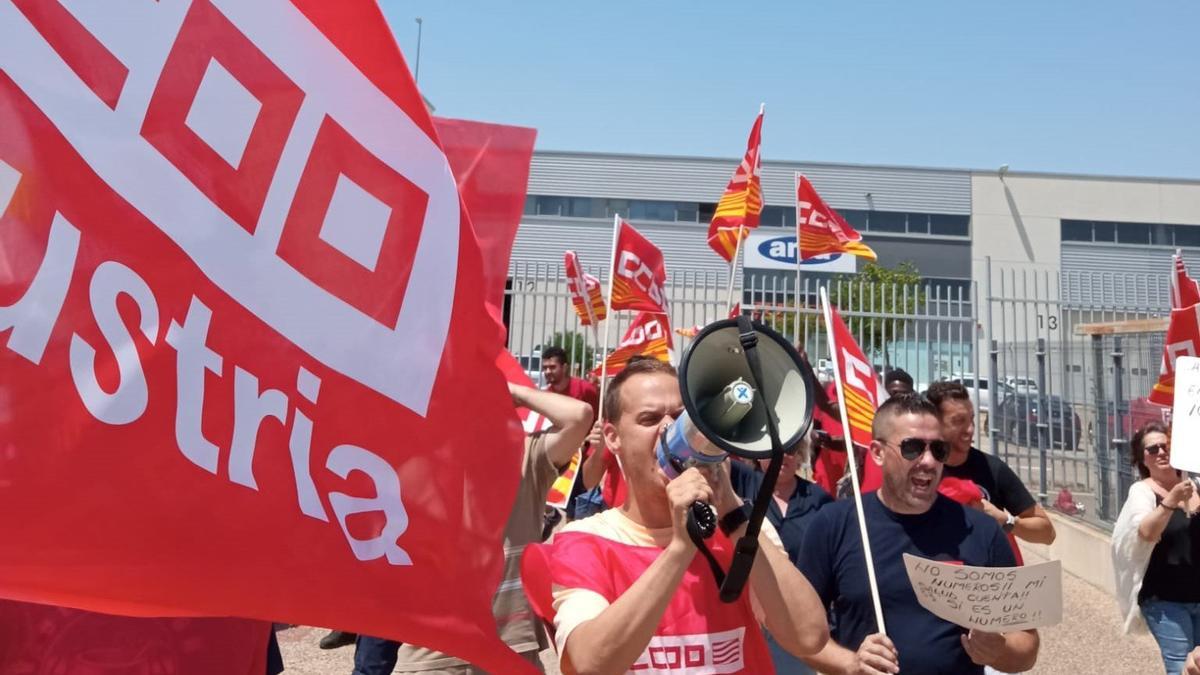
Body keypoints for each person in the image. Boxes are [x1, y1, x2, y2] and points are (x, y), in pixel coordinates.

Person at [537, 358, 829, 673]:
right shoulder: (586, 541)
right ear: (612, 437)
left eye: (679, 417)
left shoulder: (740, 531)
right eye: (649, 419)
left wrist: (730, 510)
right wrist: (680, 549)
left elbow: (809, 637)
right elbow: (588, 665)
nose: (668, 429)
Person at [352, 382, 592, 675]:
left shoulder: (526, 460)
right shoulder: (416, 467)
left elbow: (579, 416)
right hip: (433, 654)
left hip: (508, 647)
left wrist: (513, 392)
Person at [798, 393, 1040, 674]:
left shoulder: (982, 531)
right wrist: (851, 664)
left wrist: (999, 651)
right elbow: (801, 633)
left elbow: (1027, 646)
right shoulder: (834, 524)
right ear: (877, 452)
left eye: (938, 450)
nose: (928, 461)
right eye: (912, 448)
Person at [729, 431, 834, 674]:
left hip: (799, 618)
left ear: (800, 455)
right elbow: (714, 458)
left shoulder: (821, 501)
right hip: (754, 615)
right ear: (758, 455)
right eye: (772, 451)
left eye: (791, 450)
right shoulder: (744, 483)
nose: (782, 456)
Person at [1112, 421, 1200, 675]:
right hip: (1165, 600)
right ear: (1143, 459)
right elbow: (1146, 533)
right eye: (1152, 449)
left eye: (1166, 446)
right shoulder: (1142, 492)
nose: (1161, 452)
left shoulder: (1195, 485)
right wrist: (1171, 501)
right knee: (1181, 668)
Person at [926, 381, 1057, 550]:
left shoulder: (992, 468)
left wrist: (1006, 521)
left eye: (971, 419)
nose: (970, 429)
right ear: (934, 423)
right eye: (959, 421)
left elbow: (1047, 533)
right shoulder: (920, 469)